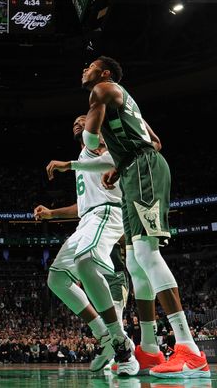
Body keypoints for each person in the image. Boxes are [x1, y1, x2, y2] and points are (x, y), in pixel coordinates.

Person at [80, 56, 209, 378]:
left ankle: (189, 349)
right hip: (133, 171)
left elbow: (91, 140)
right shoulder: (119, 99)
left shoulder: (104, 90)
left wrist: (95, 144)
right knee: (136, 260)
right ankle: (150, 348)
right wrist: (119, 166)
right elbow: (156, 140)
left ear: (105, 73)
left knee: (148, 253)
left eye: (91, 66)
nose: (85, 70)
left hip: (145, 170)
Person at [35, 115, 143, 375]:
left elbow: (114, 160)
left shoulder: (101, 145)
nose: (78, 122)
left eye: (84, 119)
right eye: (74, 121)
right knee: (57, 278)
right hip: (88, 219)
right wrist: (52, 214)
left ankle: (121, 345)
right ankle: (104, 336)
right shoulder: (85, 156)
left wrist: (68, 165)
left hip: (108, 212)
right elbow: (83, 206)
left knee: (85, 262)